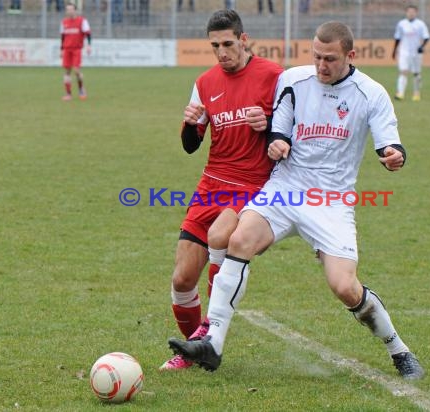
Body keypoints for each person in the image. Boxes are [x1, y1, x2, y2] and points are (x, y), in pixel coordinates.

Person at [169, 21, 425, 380]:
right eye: (316, 56)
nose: (321, 66)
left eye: (330, 59)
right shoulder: (294, 79)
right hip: (286, 189)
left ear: (350, 56)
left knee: (344, 287)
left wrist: (394, 155)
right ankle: (213, 342)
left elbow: (389, 142)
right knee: (237, 240)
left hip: (331, 201)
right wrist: (278, 141)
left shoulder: (372, 93)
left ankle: (398, 349)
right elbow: (280, 128)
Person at [159, 9, 283, 371]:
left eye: (228, 44)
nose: (222, 52)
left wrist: (270, 124)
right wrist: (189, 124)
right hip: (211, 183)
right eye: (215, 46)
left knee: (219, 236)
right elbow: (189, 146)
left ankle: (210, 338)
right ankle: (193, 353)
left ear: (244, 40)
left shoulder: (274, 77)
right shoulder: (205, 82)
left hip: (252, 185)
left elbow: (293, 131)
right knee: (182, 278)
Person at [392, 5, 430, 101]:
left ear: (416, 13)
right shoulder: (401, 24)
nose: (411, 13)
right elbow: (397, 38)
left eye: (413, 12)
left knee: (416, 73)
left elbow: (426, 37)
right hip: (404, 52)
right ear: (406, 13)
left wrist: (422, 46)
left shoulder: (420, 24)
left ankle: (416, 93)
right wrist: (394, 50)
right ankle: (400, 93)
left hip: (416, 52)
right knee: (403, 71)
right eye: (409, 12)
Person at [60, 2, 91, 101]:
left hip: (77, 49)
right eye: (67, 9)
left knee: (76, 71)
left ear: (75, 10)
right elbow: (63, 37)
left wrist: (89, 45)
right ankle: (68, 94)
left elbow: (88, 34)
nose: (69, 11)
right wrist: (61, 49)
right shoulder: (64, 22)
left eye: (71, 9)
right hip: (67, 49)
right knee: (67, 71)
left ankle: (81, 89)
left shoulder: (82, 21)